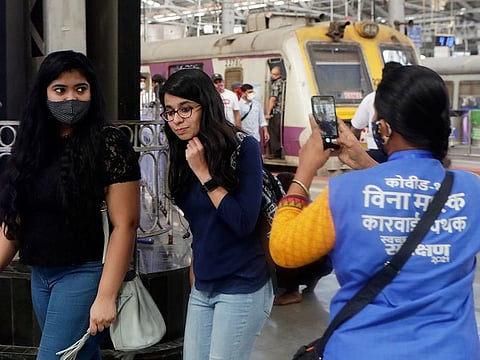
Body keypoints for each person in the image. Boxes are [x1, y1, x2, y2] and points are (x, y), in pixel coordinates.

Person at [269, 65, 480, 359]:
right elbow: (414, 191)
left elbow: (284, 249)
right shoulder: (472, 189)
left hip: (362, 349)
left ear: (384, 128)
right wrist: (364, 160)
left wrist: (304, 171)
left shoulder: (344, 192)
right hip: (452, 350)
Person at [0, 50, 141, 359]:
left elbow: (125, 224)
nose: (71, 99)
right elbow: (15, 222)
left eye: (80, 89)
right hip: (41, 274)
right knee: (83, 354)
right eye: (60, 90)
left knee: (53, 356)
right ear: (44, 94)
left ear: (92, 91)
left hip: (83, 273)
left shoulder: (109, 144)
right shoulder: (33, 144)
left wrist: (106, 295)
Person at [159, 68, 273, 360]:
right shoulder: (181, 152)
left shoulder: (242, 147)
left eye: (186, 109)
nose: (177, 120)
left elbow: (243, 222)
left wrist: (205, 175)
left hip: (243, 284)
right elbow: (199, 223)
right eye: (170, 112)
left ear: (206, 106)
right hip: (204, 285)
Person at [272, 172, 332, 306]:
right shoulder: (310, 204)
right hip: (325, 263)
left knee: (280, 245)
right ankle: (311, 281)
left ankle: (291, 291)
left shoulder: (287, 210)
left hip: (310, 262)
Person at [350, 62, 403, 163]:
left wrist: (354, 151)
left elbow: (355, 129)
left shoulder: (371, 98)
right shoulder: (408, 98)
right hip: (403, 154)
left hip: (376, 155)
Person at [265, 66, 285, 159]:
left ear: (277, 75)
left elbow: (273, 99)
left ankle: (275, 152)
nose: (271, 75)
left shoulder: (276, 84)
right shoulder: (283, 83)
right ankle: (279, 151)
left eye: (272, 74)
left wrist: (268, 113)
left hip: (276, 111)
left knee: (273, 132)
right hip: (282, 111)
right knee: (278, 132)